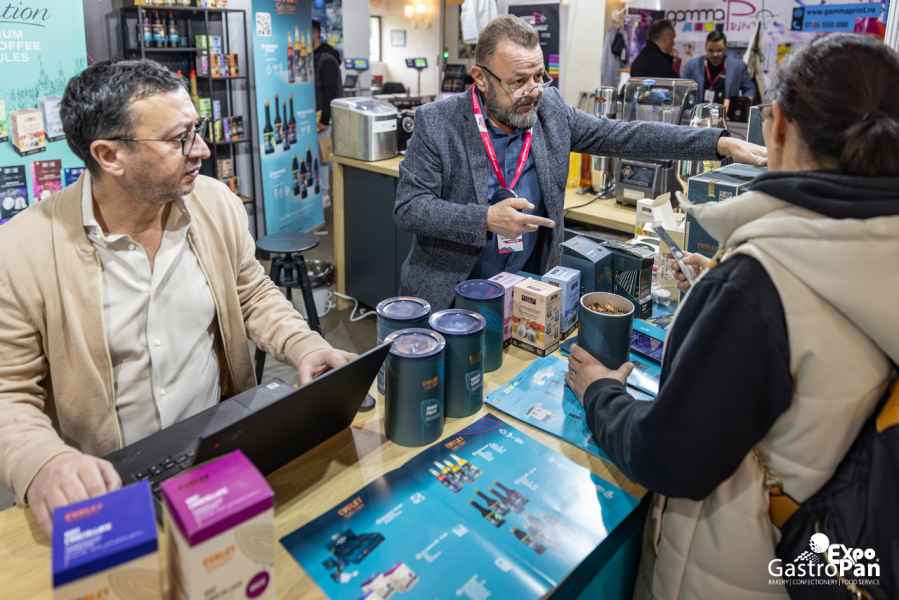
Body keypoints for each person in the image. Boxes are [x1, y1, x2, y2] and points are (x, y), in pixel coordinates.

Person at [566, 34, 899, 599]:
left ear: (778, 126)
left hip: (733, 567)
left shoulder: (760, 282)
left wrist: (600, 391)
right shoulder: (870, 245)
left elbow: (668, 456)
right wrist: (717, 294)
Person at [0, 59, 352, 536]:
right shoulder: (20, 251)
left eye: (196, 130)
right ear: (109, 155)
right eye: (178, 139)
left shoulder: (215, 203)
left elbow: (251, 292)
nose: (201, 149)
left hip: (219, 449)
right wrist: (42, 461)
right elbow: (9, 393)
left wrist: (304, 345)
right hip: (108, 482)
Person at [394, 15, 765, 309]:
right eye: (519, 81)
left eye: (539, 76)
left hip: (529, 295)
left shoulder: (550, 110)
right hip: (451, 297)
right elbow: (409, 207)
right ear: (481, 78)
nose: (533, 91)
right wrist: (485, 219)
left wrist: (718, 143)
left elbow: (625, 135)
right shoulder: (438, 123)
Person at [682, 31, 757, 105]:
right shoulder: (691, 66)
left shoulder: (738, 66)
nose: (715, 54)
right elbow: (682, 90)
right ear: (705, 47)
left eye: (719, 50)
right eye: (711, 50)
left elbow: (750, 89)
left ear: (726, 48)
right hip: (699, 111)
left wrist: (742, 104)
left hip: (726, 111)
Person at [312, 19, 342, 133]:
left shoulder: (326, 59)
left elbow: (331, 92)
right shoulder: (312, 56)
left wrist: (324, 120)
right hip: (315, 118)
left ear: (316, 33)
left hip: (324, 123)